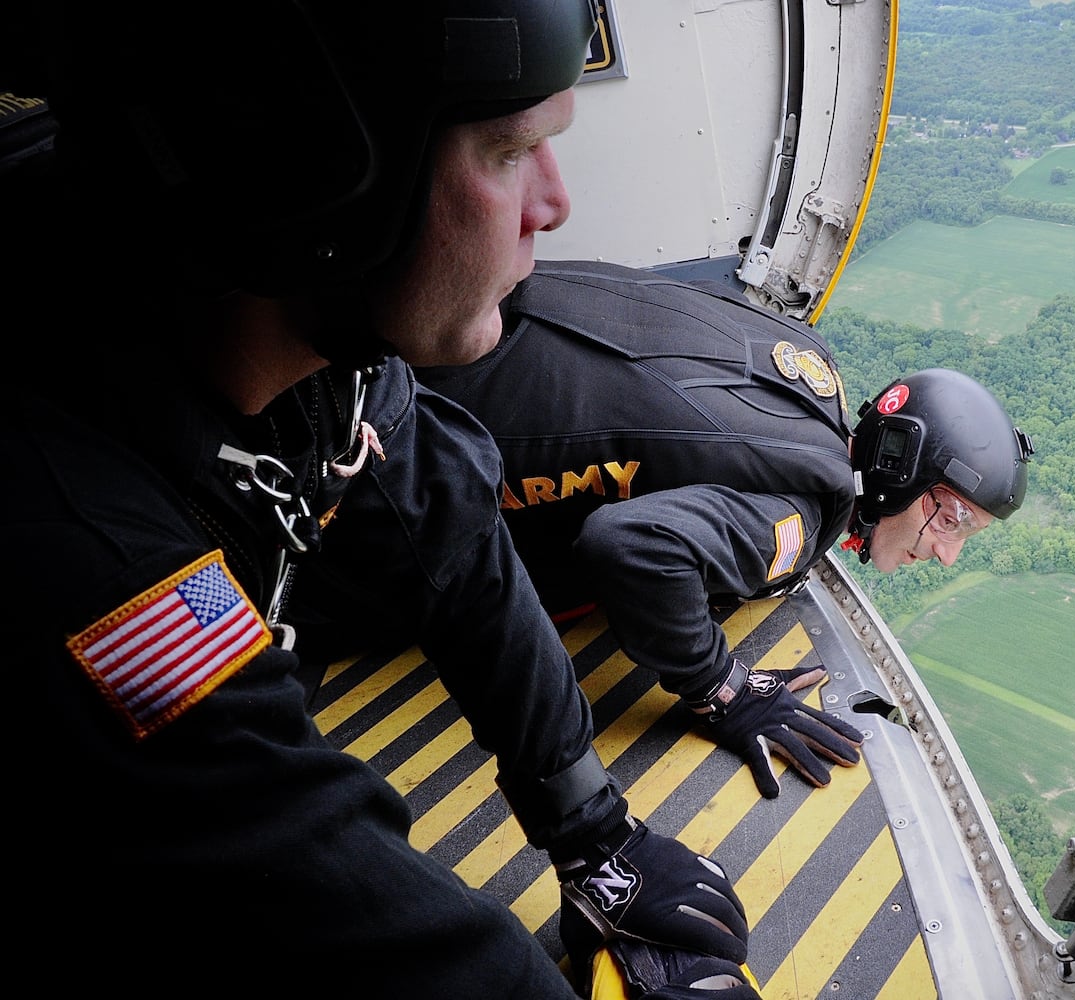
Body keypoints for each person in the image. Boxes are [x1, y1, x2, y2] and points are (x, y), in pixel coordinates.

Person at [5, 3, 757, 997]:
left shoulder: (289, 309)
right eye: (507, 152)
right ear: (312, 178)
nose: (555, 203)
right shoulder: (75, 548)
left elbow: (448, 532)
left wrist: (595, 836)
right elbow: (301, 882)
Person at [407, 259, 1035, 800]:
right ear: (900, 473)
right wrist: (724, 689)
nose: (949, 554)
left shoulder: (807, 362)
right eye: (951, 519)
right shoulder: (801, 513)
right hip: (403, 463)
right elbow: (629, 547)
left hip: (433, 325)